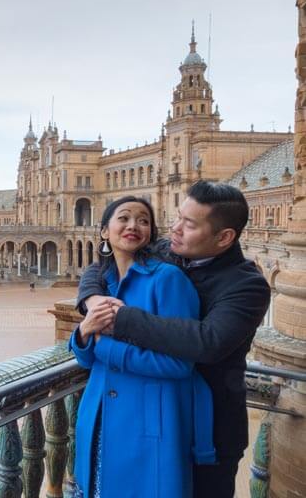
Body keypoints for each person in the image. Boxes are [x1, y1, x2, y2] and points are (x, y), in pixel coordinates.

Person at [77, 181, 270, 498]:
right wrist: (92, 299)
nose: (175, 229)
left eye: (189, 224)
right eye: (178, 217)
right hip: (158, 418)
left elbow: (207, 342)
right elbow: (103, 264)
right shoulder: (170, 250)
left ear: (224, 237)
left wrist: (118, 320)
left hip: (207, 433)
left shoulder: (247, 285)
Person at [69, 196, 215, 497]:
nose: (133, 225)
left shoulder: (168, 279)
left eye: (143, 220)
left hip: (148, 426)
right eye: (123, 218)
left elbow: (180, 363)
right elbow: (85, 358)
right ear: (104, 231)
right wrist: (84, 332)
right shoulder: (102, 281)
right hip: (99, 416)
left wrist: (107, 349)